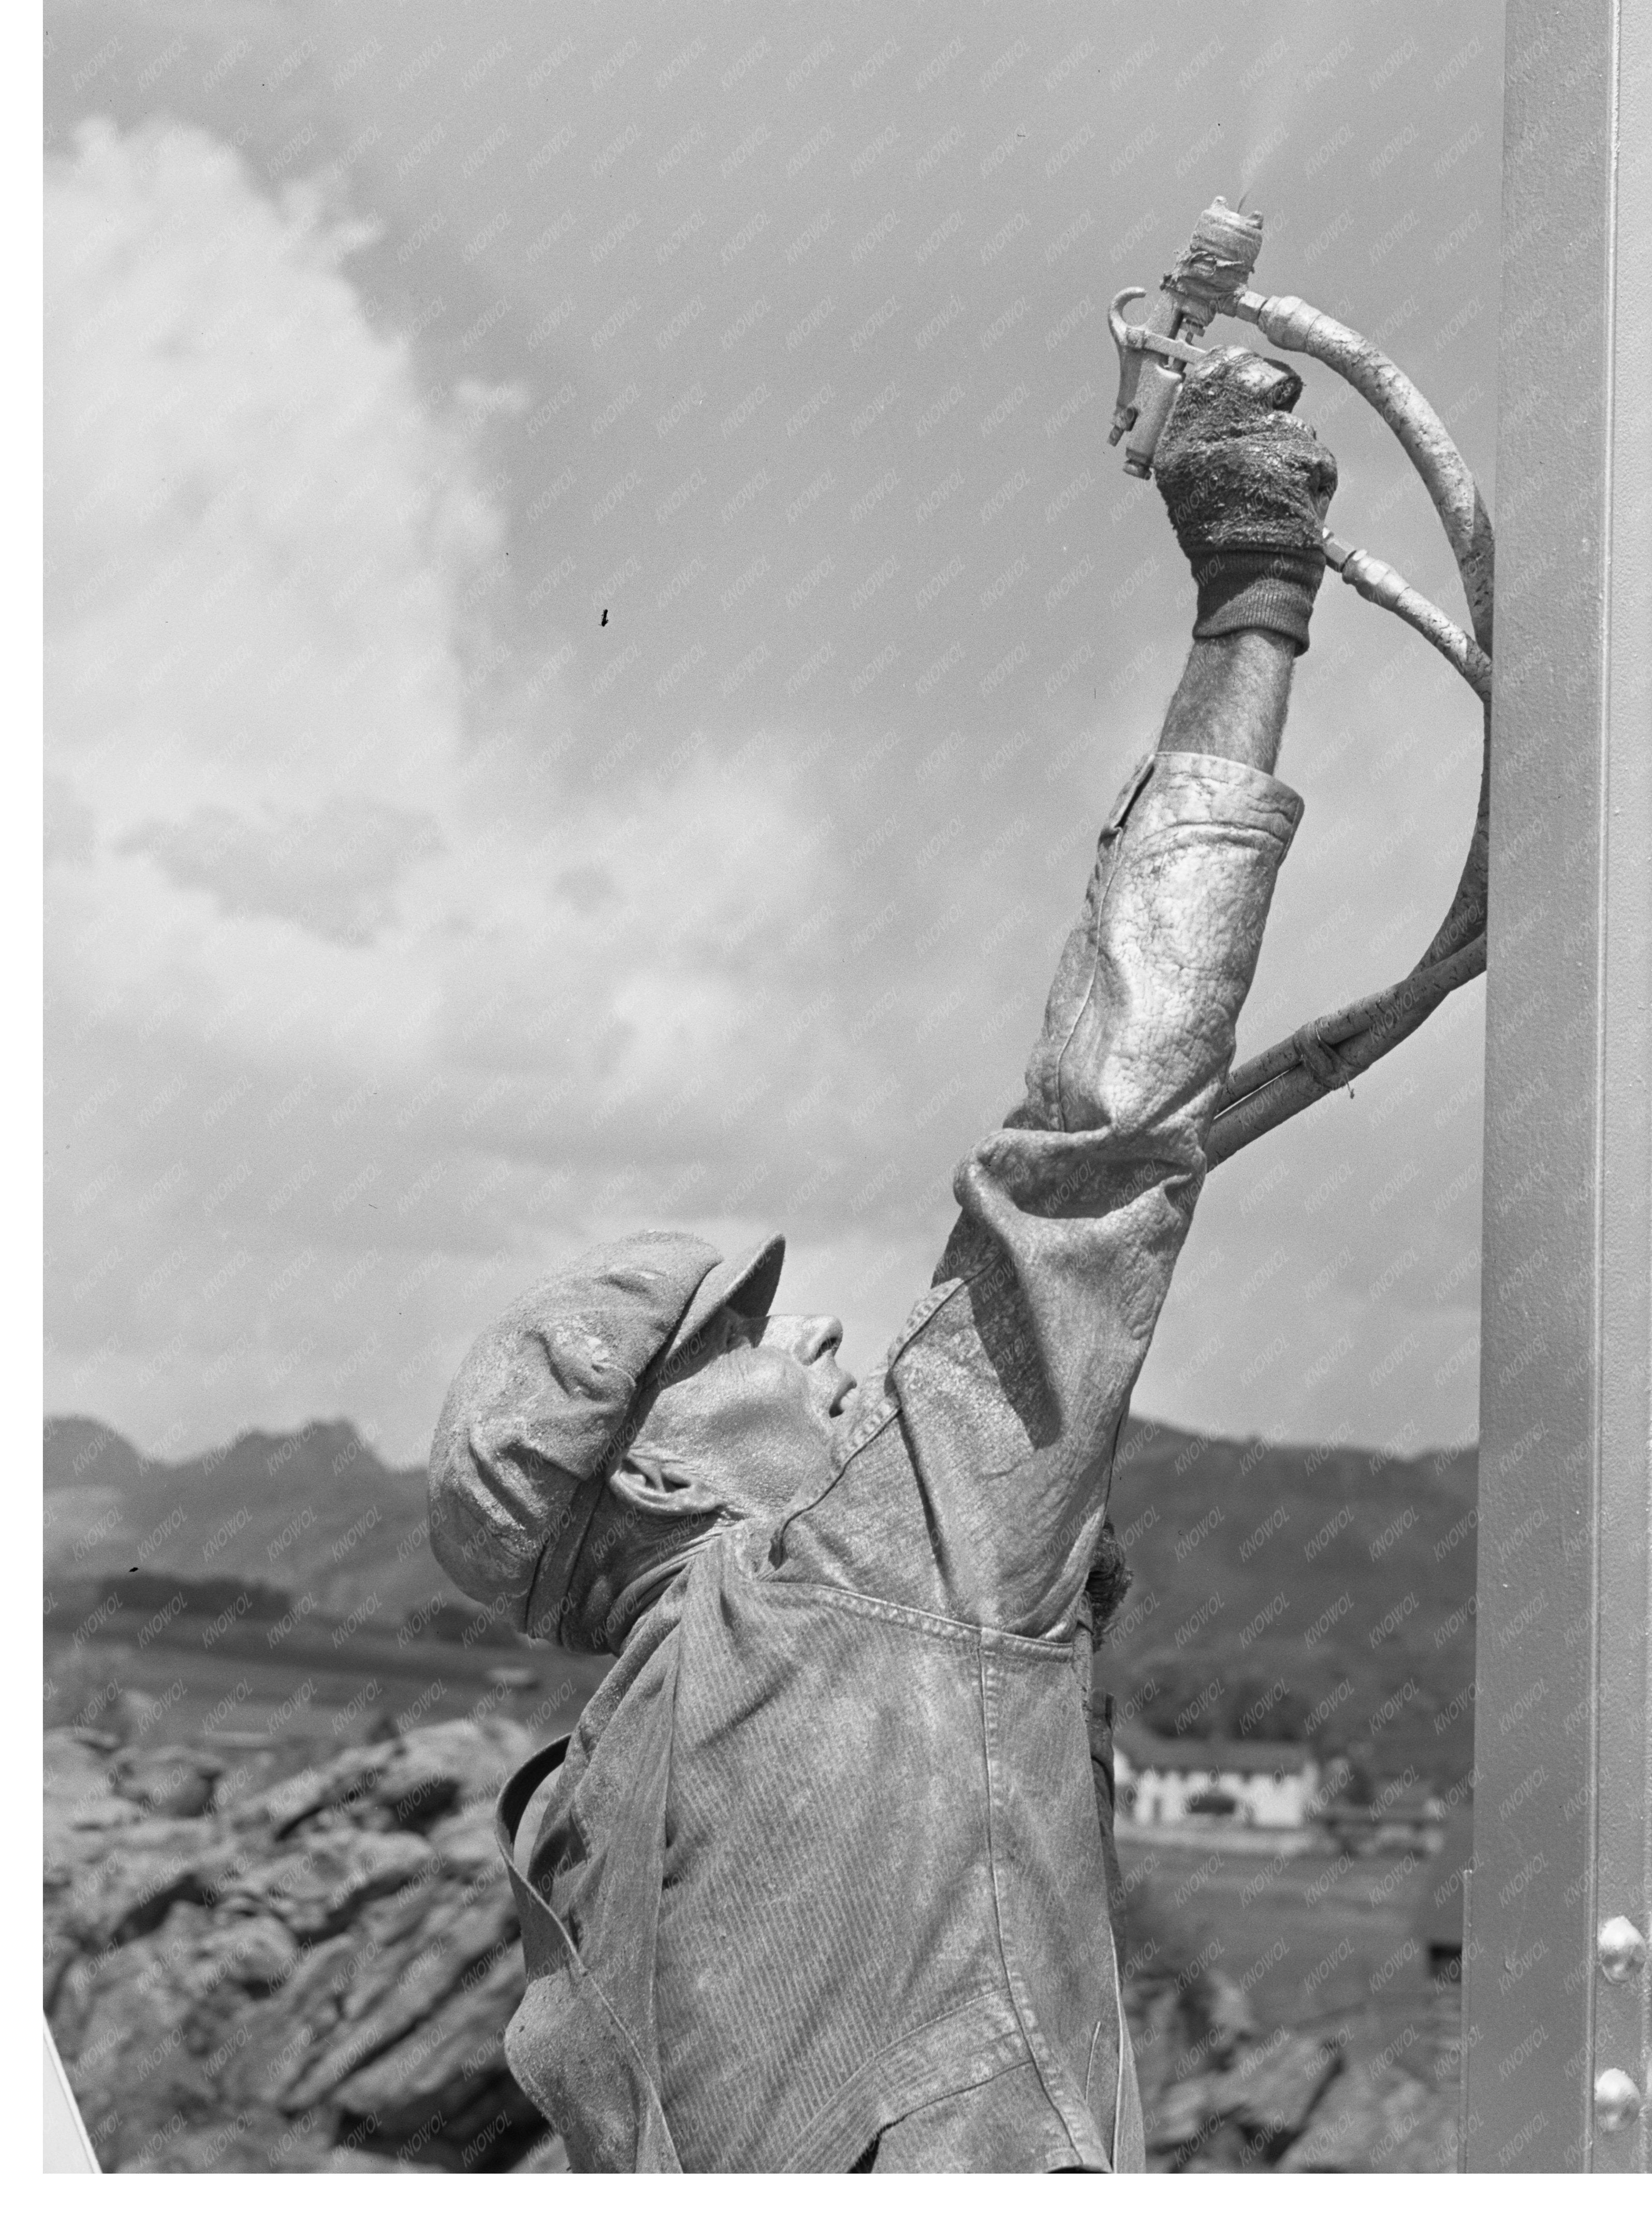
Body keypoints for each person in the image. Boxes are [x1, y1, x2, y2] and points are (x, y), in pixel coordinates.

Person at [426, 347, 1338, 2172]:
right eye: (744, 1337)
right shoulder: (843, 1603)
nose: (814, 1324)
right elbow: (1084, 1158)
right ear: (667, 1465)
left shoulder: (590, 1814)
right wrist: (1253, 598)